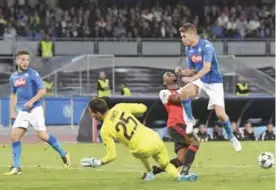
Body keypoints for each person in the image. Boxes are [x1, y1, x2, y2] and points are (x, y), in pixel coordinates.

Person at [80, 98, 197, 181]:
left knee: (134, 149)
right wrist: (136, 114)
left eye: (92, 113)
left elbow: (112, 155)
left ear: (98, 113)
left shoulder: (105, 130)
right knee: (165, 164)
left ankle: (149, 173)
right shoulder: (120, 107)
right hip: (155, 139)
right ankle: (179, 176)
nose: (92, 116)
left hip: (142, 150)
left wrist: (98, 162)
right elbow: (143, 108)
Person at [175, 23, 241, 152]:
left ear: (192, 35)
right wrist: (182, 72)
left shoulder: (206, 46)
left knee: (221, 115)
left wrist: (191, 79)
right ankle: (190, 120)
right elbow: (193, 69)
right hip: (201, 80)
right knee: (183, 92)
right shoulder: (189, 50)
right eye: (181, 37)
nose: (182, 39)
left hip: (215, 82)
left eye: (184, 36)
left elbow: (207, 68)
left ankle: (232, 137)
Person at [5, 50, 70, 176]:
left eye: (27, 60)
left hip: (35, 109)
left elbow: (43, 90)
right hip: (23, 111)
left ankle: (64, 153)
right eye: (23, 59)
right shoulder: (13, 77)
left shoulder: (33, 74)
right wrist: (12, 111)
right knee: (14, 136)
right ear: (17, 61)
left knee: (42, 136)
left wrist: (32, 101)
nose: (25, 62)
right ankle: (17, 167)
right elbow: (13, 94)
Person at [154, 72, 199, 179]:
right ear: (165, 82)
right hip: (175, 124)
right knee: (195, 142)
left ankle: (156, 170)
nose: (170, 74)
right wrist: (188, 90)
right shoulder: (164, 92)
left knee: (181, 159)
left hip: (184, 125)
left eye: (171, 74)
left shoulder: (181, 91)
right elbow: (178, 99)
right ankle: (184, 173)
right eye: (167, 75)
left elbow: (195, 92)